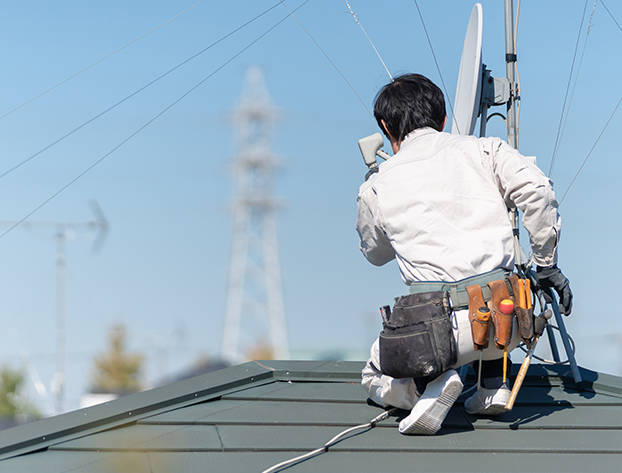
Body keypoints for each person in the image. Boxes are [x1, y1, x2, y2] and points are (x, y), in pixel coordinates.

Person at [357, 73, 572, 435]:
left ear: (384, 126)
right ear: (442, 119)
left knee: (371, 374)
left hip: (433, 335)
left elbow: (375, 255)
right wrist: (546, 265)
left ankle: (419, 392)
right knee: (494, 288)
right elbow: (538, 191)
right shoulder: (486, 150)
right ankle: (490, 389)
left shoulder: (377, 185)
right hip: (510, 322)